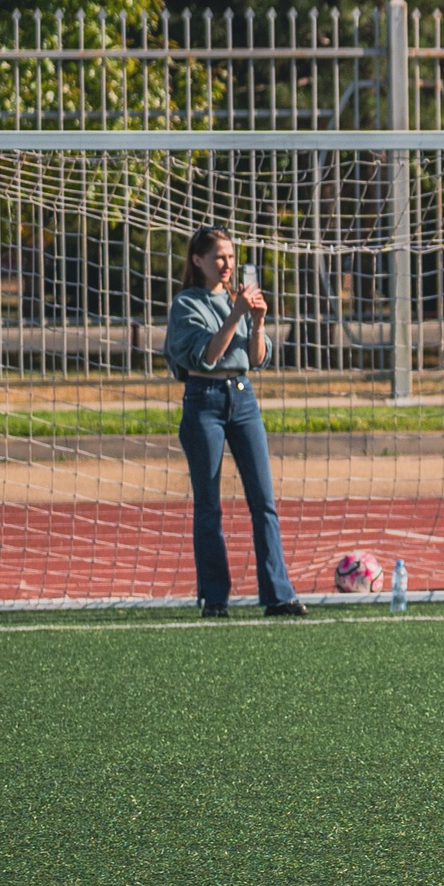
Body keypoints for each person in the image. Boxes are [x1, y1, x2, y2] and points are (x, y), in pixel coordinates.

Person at [164, 227, 304, 618]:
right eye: (218, 257)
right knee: (209, 505)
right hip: (203, 402)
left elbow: (257, 358)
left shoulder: (235, 299)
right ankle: (215, 597)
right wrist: (237, 313)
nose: (227, 265)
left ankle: (277, 595)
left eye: (230, 257)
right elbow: (206, 357)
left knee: (264, 501)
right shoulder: (186, 304)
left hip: (243, 399)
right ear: (198, 261)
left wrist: (257, 322)